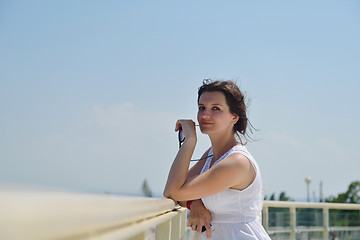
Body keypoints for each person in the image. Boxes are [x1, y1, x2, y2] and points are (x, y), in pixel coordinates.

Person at [163, 80, 271, 239]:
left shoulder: (236, 162)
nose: (205, 114)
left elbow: (173, 191)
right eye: (201, 108)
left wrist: (190, 140)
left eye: (216, 108)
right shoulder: (212, 154)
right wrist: (194, 203)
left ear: (234, 117)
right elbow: (175, 191)